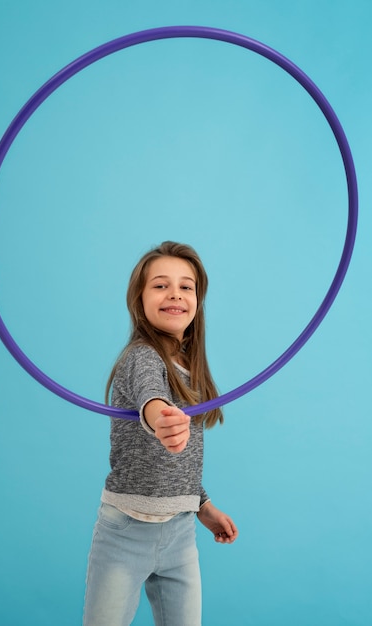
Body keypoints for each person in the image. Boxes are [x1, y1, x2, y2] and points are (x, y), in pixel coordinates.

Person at [83, 241, 238, 626]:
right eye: (160, 285)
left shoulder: (191, 369)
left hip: (181, 535)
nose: (175, 294)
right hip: (125, 533)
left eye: (186, 286)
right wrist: (162, 418)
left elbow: (181, 462)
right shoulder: (141, 357)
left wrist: (203, 506)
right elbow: (152, 400)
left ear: (198, 300)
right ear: (139, 298)